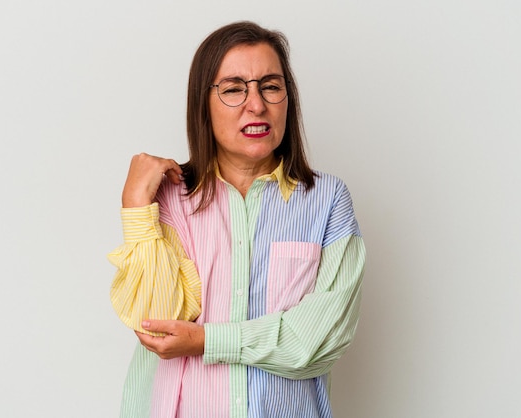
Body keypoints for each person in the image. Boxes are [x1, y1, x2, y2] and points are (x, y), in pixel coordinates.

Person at [108, 21, 366, 418]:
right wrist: (135, 206)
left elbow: (317, 342)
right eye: (233, 89)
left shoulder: (327, 201)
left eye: (271, 86)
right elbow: (156, 328)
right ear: (202, 105)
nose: (257, 104)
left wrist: (206, 341)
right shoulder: (168, 199)